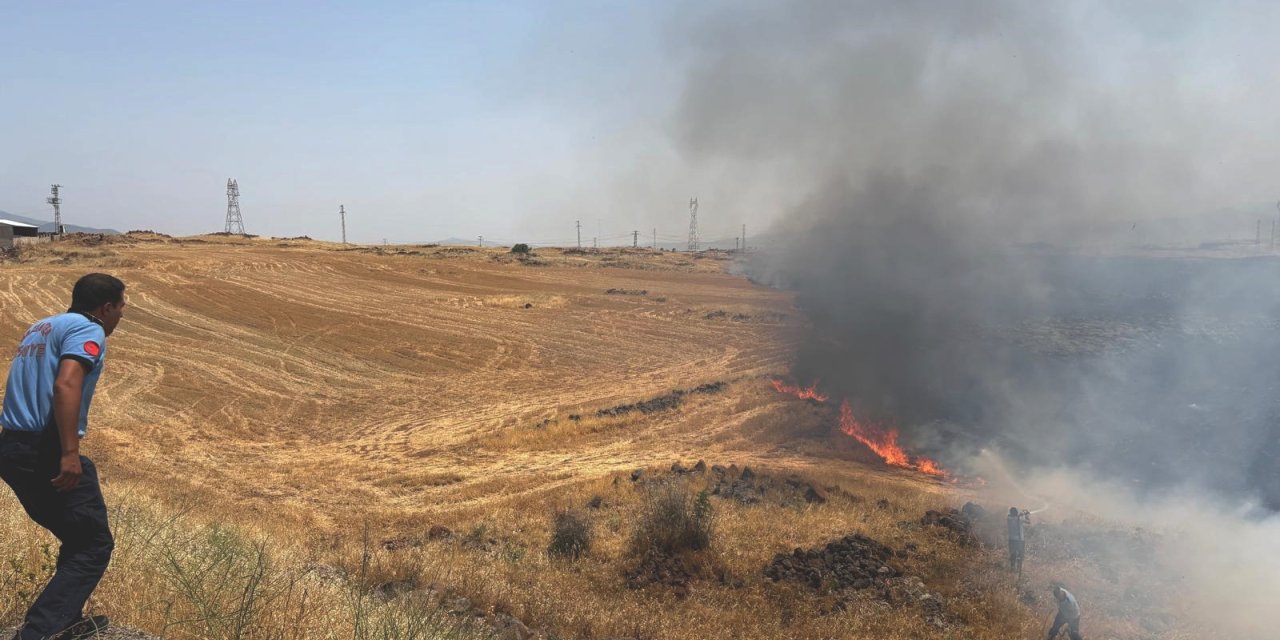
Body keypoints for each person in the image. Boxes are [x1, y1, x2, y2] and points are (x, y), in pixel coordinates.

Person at [1, 274, 126, 640]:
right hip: (46, 450)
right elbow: (66, 383)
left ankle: (62, 618)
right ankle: (43, 630)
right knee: (93, 544)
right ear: (105, 308)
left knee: (78, 537)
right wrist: (69, 453)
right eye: (120, 308)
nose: (120, 315)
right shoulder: (90, 330)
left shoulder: (41, 326)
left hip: (12, 446)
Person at [1007, 506, 1029, 573]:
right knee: (1020, 555)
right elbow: (1028, 522)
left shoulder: (1009, 519)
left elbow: (1010, 516)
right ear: (1016, 513)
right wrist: (1026, 516)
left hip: (1011, 540)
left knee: (1012, 554)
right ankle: (1019, 569)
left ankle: (1012, 568)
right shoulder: (1020, 519)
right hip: (1020, 540)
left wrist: (1021, 515)